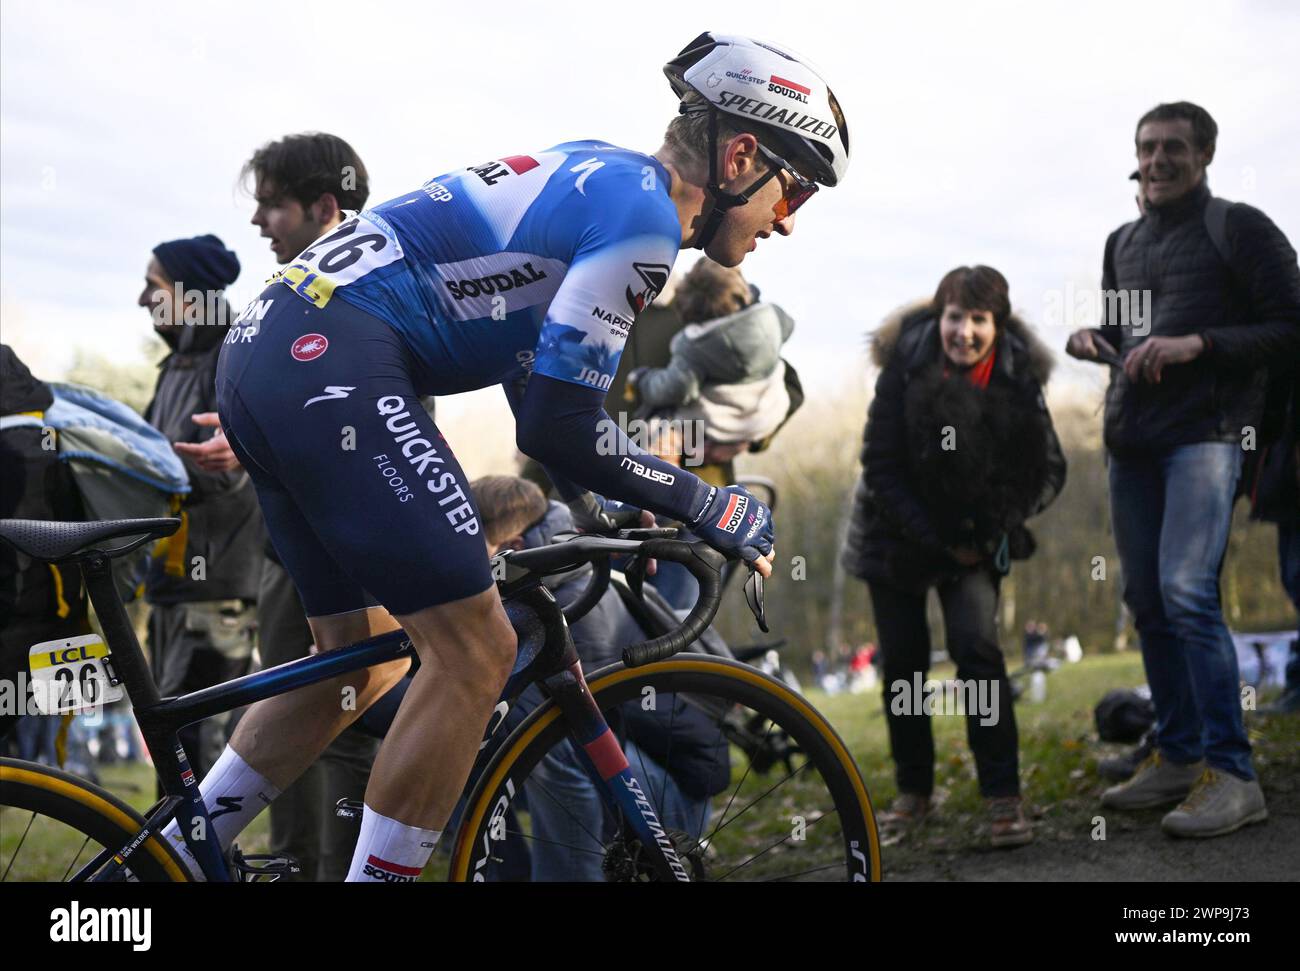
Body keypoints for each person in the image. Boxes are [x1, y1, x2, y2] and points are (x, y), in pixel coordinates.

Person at [158, 32, 845, 882]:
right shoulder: (646, 222)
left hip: (272, 348)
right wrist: (707, 505)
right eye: (796, 192)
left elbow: (536, 376)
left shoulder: (602, 172)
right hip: (331, 362)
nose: (786, 220)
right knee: (475, 650)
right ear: (743, 153)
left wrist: (605, 507)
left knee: (355, 665)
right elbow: (559, 424)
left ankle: (170, 856)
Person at [1067, 101, 1300, 837]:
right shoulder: (1121, 240)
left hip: (1210, 433)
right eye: (1147, 147)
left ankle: (1234, 774)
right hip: (1131, 438)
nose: (1158, 159)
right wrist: (1094, 337)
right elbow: (1126, 326)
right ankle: (1175, 754)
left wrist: (1197, 343)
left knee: (1186, 590)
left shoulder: (1240, 227)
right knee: (1146, 596)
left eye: (1173, 147)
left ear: (1204, 154)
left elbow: (1289, 326)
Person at [177, 132, 381, 882]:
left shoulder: (369, 282)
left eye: (273, 205)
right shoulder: (289, 292)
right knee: (296, 710)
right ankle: (278, 864)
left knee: (347, 717)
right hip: (287, 548)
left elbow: (380, 412)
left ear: (326, 207)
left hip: (352, 540)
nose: (261, 221)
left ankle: (320, 868)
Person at [842, 266, 1066, 848]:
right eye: (955, 317)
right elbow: (881, 467)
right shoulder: (905, 365)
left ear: (998, 325)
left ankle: (1003, 797)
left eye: (978, 320)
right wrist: (938, 539)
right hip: (894, 533)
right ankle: (914, 793)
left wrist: (992, 527)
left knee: (977, 650)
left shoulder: (1018, 375)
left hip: (975, 535)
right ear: (939, 317)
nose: (964, 331)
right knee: (905, 666)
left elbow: (1045, 470)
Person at [137, 236, 264, 784]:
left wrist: (142, 461)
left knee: (197, 749)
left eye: (154, 286)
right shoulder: (176, 365)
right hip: (167, 585)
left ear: (190, 296)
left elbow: (233, 475)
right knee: (168, 738)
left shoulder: (233, 357)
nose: (143, 299)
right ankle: (166, 861)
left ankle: (196, 865)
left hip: (217, 593)